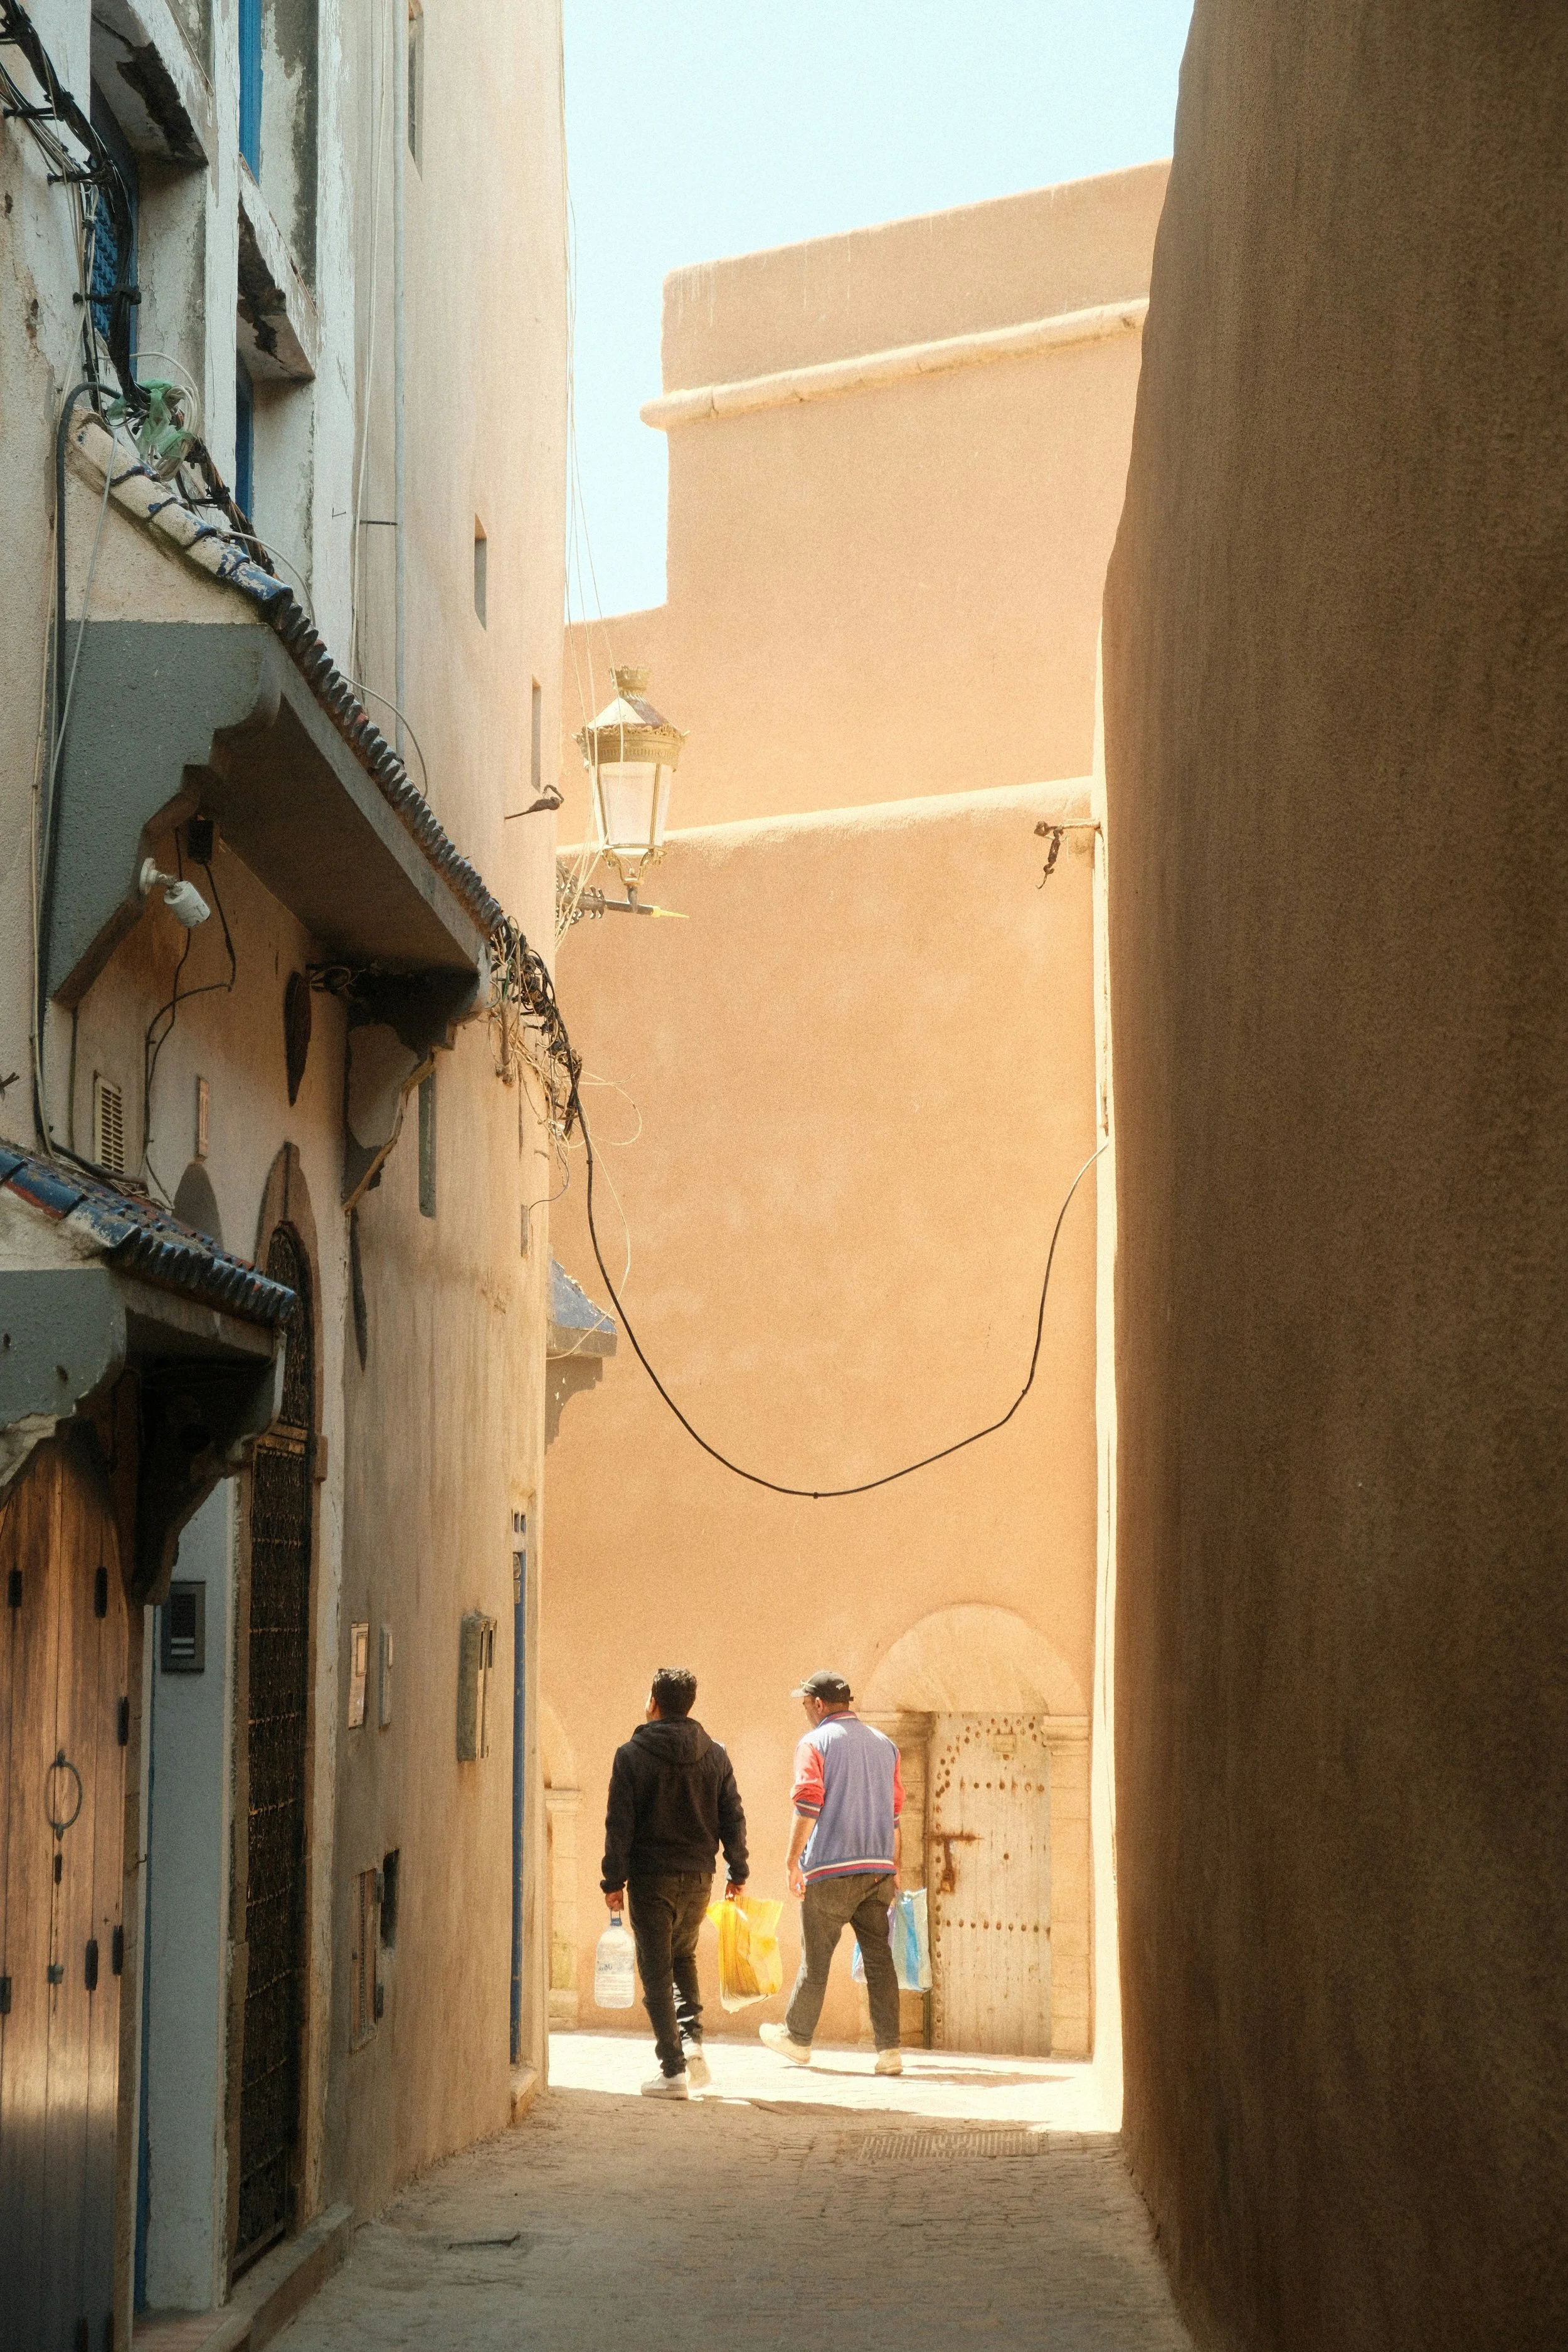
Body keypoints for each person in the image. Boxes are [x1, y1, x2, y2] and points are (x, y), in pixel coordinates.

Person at [601, 1665, 750, 2099]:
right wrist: (737, 1872)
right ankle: (692, 2043)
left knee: (656, 1970)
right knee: (684, 1958)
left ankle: (673, 2071)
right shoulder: (715, 1754)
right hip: (700, 1879)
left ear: (653, 1701)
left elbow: (619, 1825)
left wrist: (613, 1880)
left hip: (652, 1880)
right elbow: (733, 1816)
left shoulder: (631, 1755)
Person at [759, 1670, 904, 2076]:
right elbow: (895, 1814)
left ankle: (797, 2038)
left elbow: (808, 1803)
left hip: (829, 1870)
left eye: (806, 1704)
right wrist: (894, 1866)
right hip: (877, 1870)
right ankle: (890, 2052)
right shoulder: (886, 1746)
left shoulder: (814, 1743)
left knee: (816, 1959)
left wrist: (792, 1862)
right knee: (880, 1961)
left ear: (819, 1704)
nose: (806, 1711)